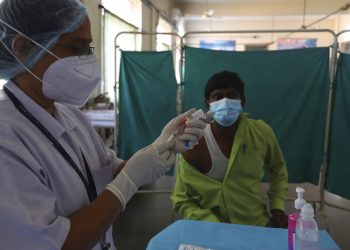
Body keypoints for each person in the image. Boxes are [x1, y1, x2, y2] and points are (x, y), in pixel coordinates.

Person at [0, 1, 206, 249]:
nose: (87, 60)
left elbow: (106, 173)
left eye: (89, 49)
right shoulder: (7, 139)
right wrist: (128, 181)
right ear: (23, 48)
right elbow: (55, 244)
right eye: (77, 48)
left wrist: (162, 146)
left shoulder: (70, 116)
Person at [171, 70, 289, 228]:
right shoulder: (194, 143)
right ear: (208, 103)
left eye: (232, 95)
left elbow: (278, 170)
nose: (225, 101)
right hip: (208, 230)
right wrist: (209, 222)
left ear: (242, 100)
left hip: (255, 224)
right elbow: (181, 198)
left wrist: (277, 207)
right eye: (218, 96)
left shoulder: (261, 133)